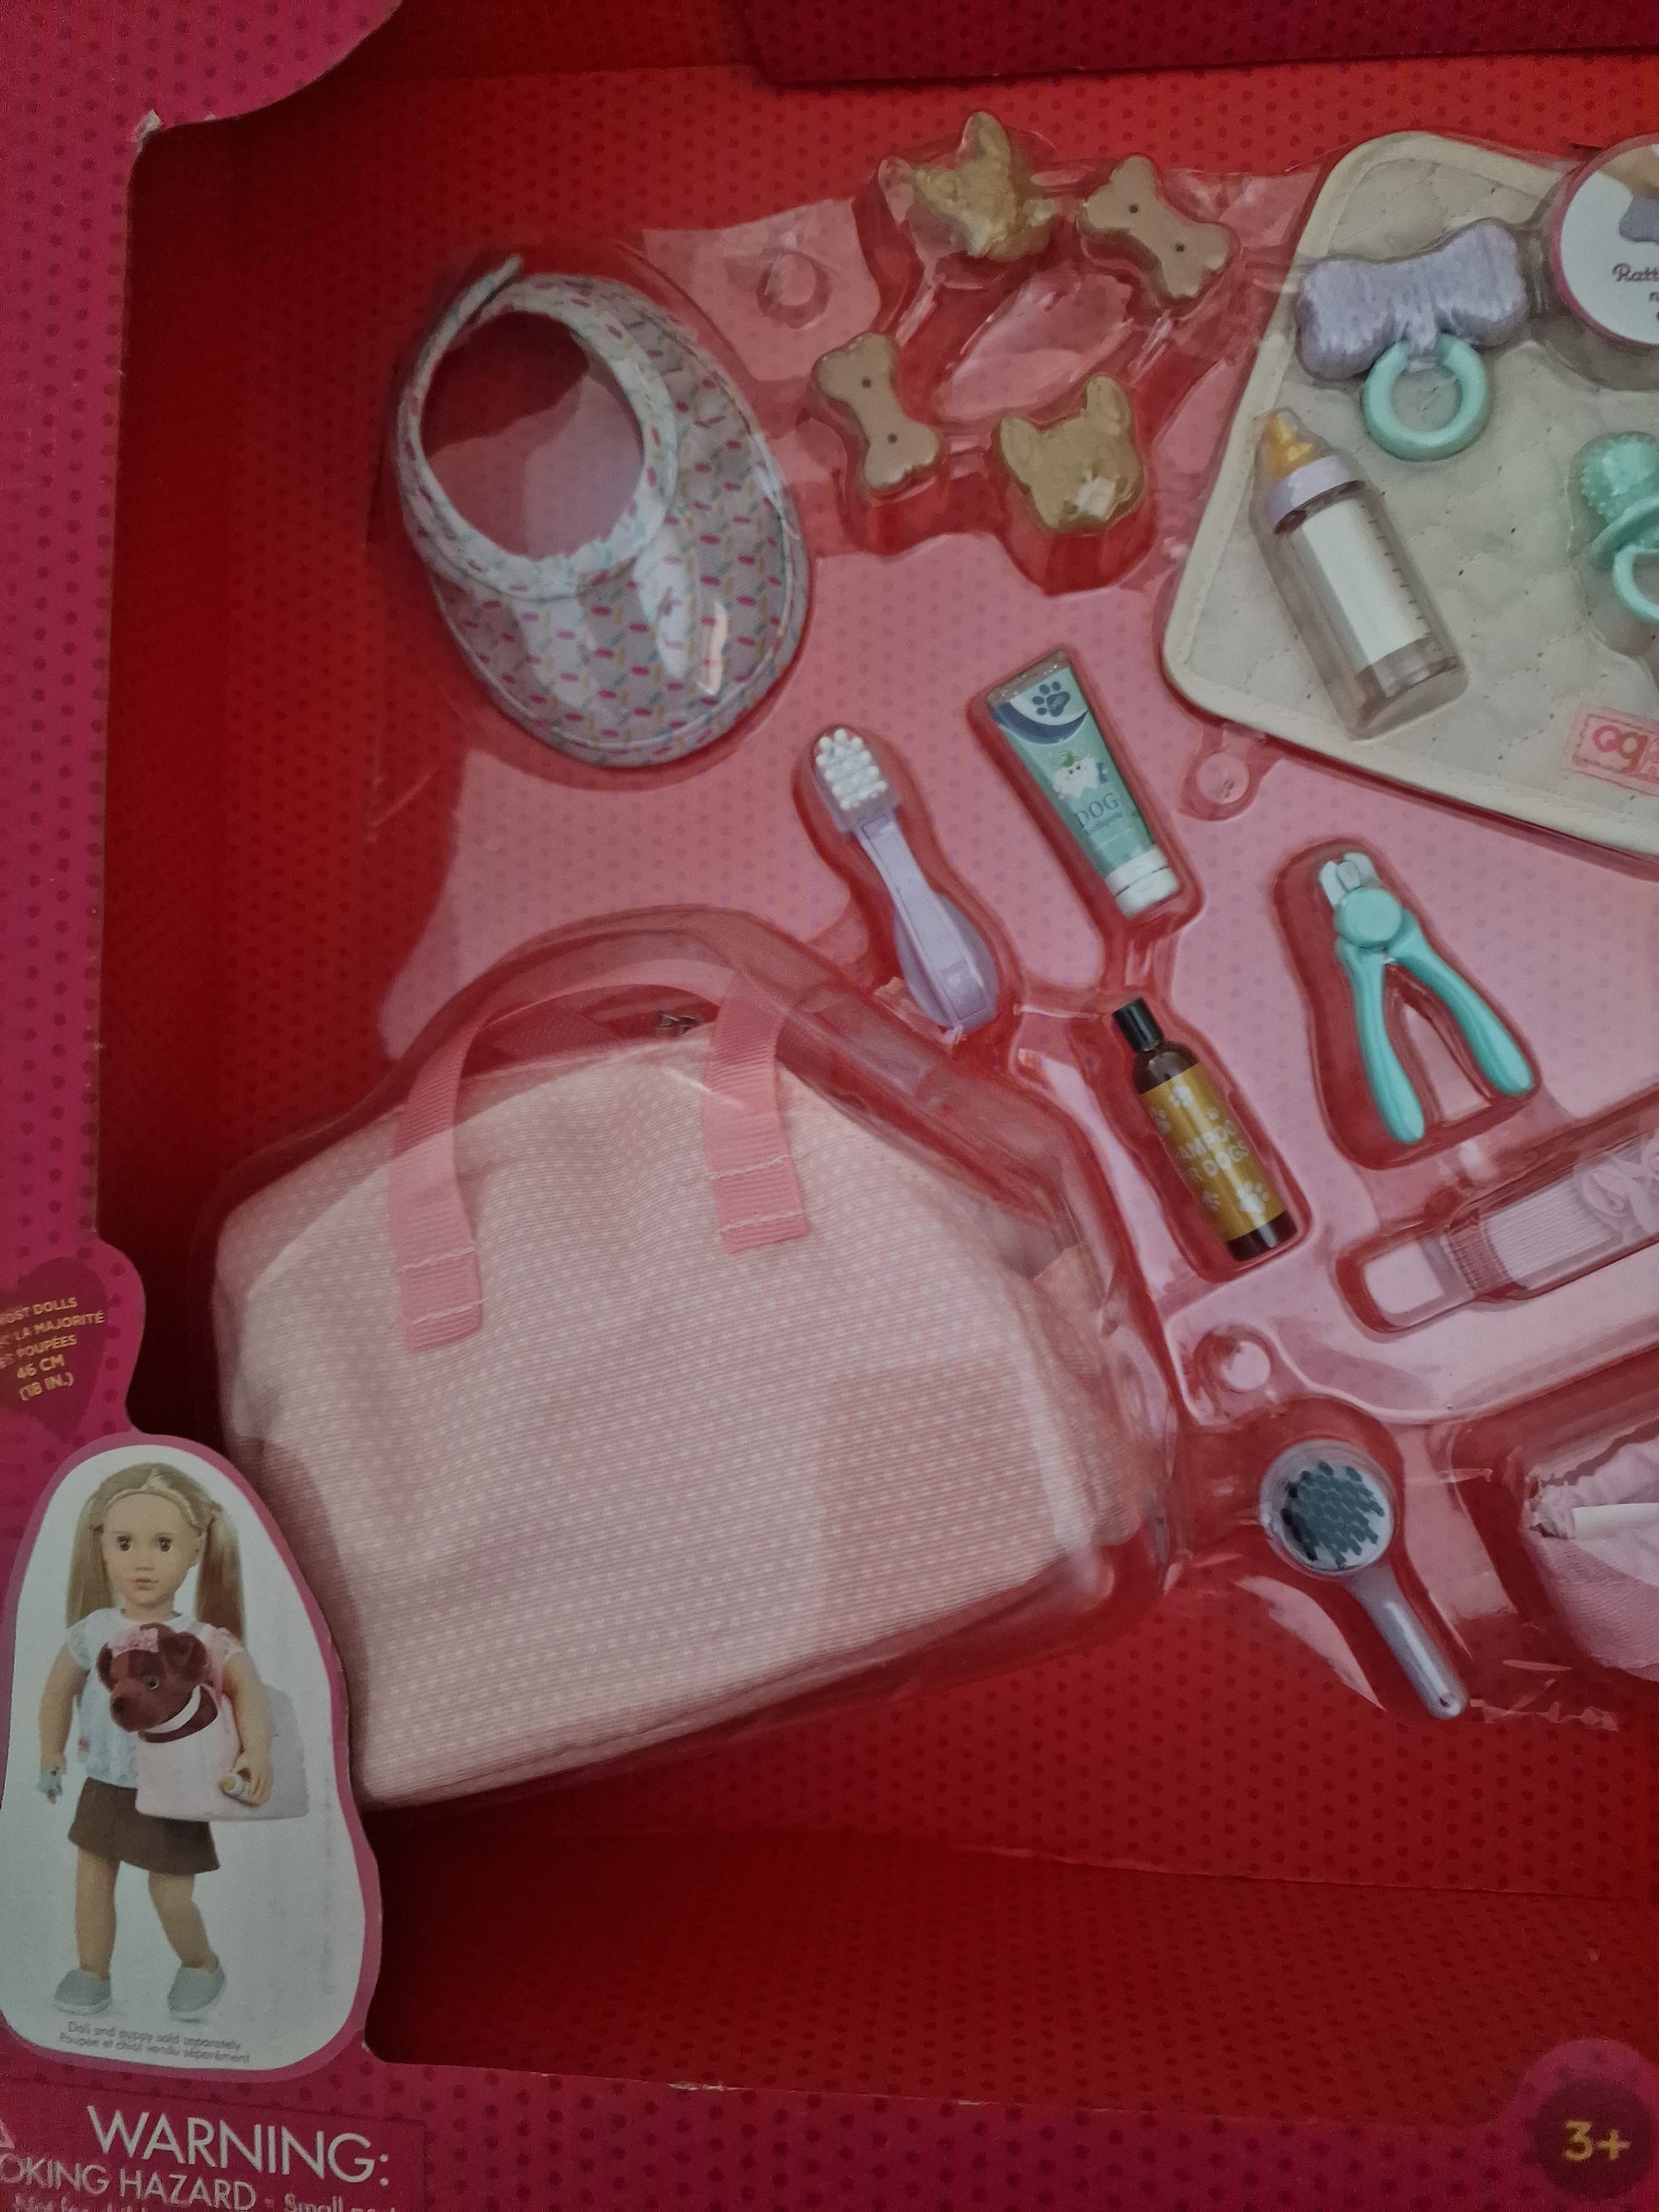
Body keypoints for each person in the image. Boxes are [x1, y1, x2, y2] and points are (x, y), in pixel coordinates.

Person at [37, 1463, 272, 2019]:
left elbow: (248, 1691)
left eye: (163, 1544)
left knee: (170, 1895)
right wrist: (50, 1751)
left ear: (195, 1549)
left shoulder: (203, 1639)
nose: (142, 1561)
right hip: (105, 1783)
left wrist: (256, 1749)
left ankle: (201, 1964)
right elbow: (56, 1693)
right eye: (125, 1542)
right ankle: (92, 1971)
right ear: (101, 1546)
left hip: (177, 1788)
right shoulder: (92, 1630)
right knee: (92, 1880)